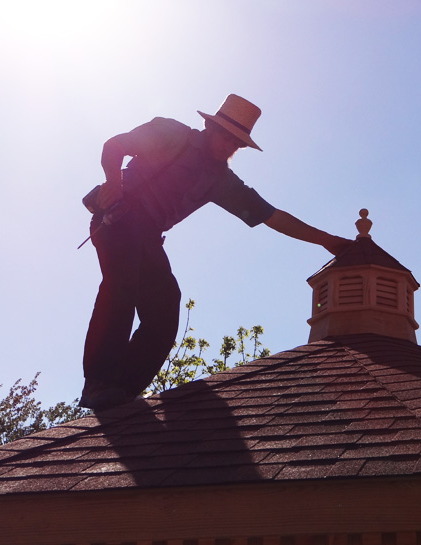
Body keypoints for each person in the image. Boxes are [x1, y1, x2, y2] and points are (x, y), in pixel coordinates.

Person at [80, 94, 351, 411]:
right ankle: (99, 383)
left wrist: (327, 240)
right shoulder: (171, 133)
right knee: (121, 283)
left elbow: (271, 216)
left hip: (149, 237)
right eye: (225, 137)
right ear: (209, 126)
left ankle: (123, 391)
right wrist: (113, 181)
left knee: (166, 309)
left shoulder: (221, 181)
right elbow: (114, 146)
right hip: (118, 219)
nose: (228, 147)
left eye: (236, 143)